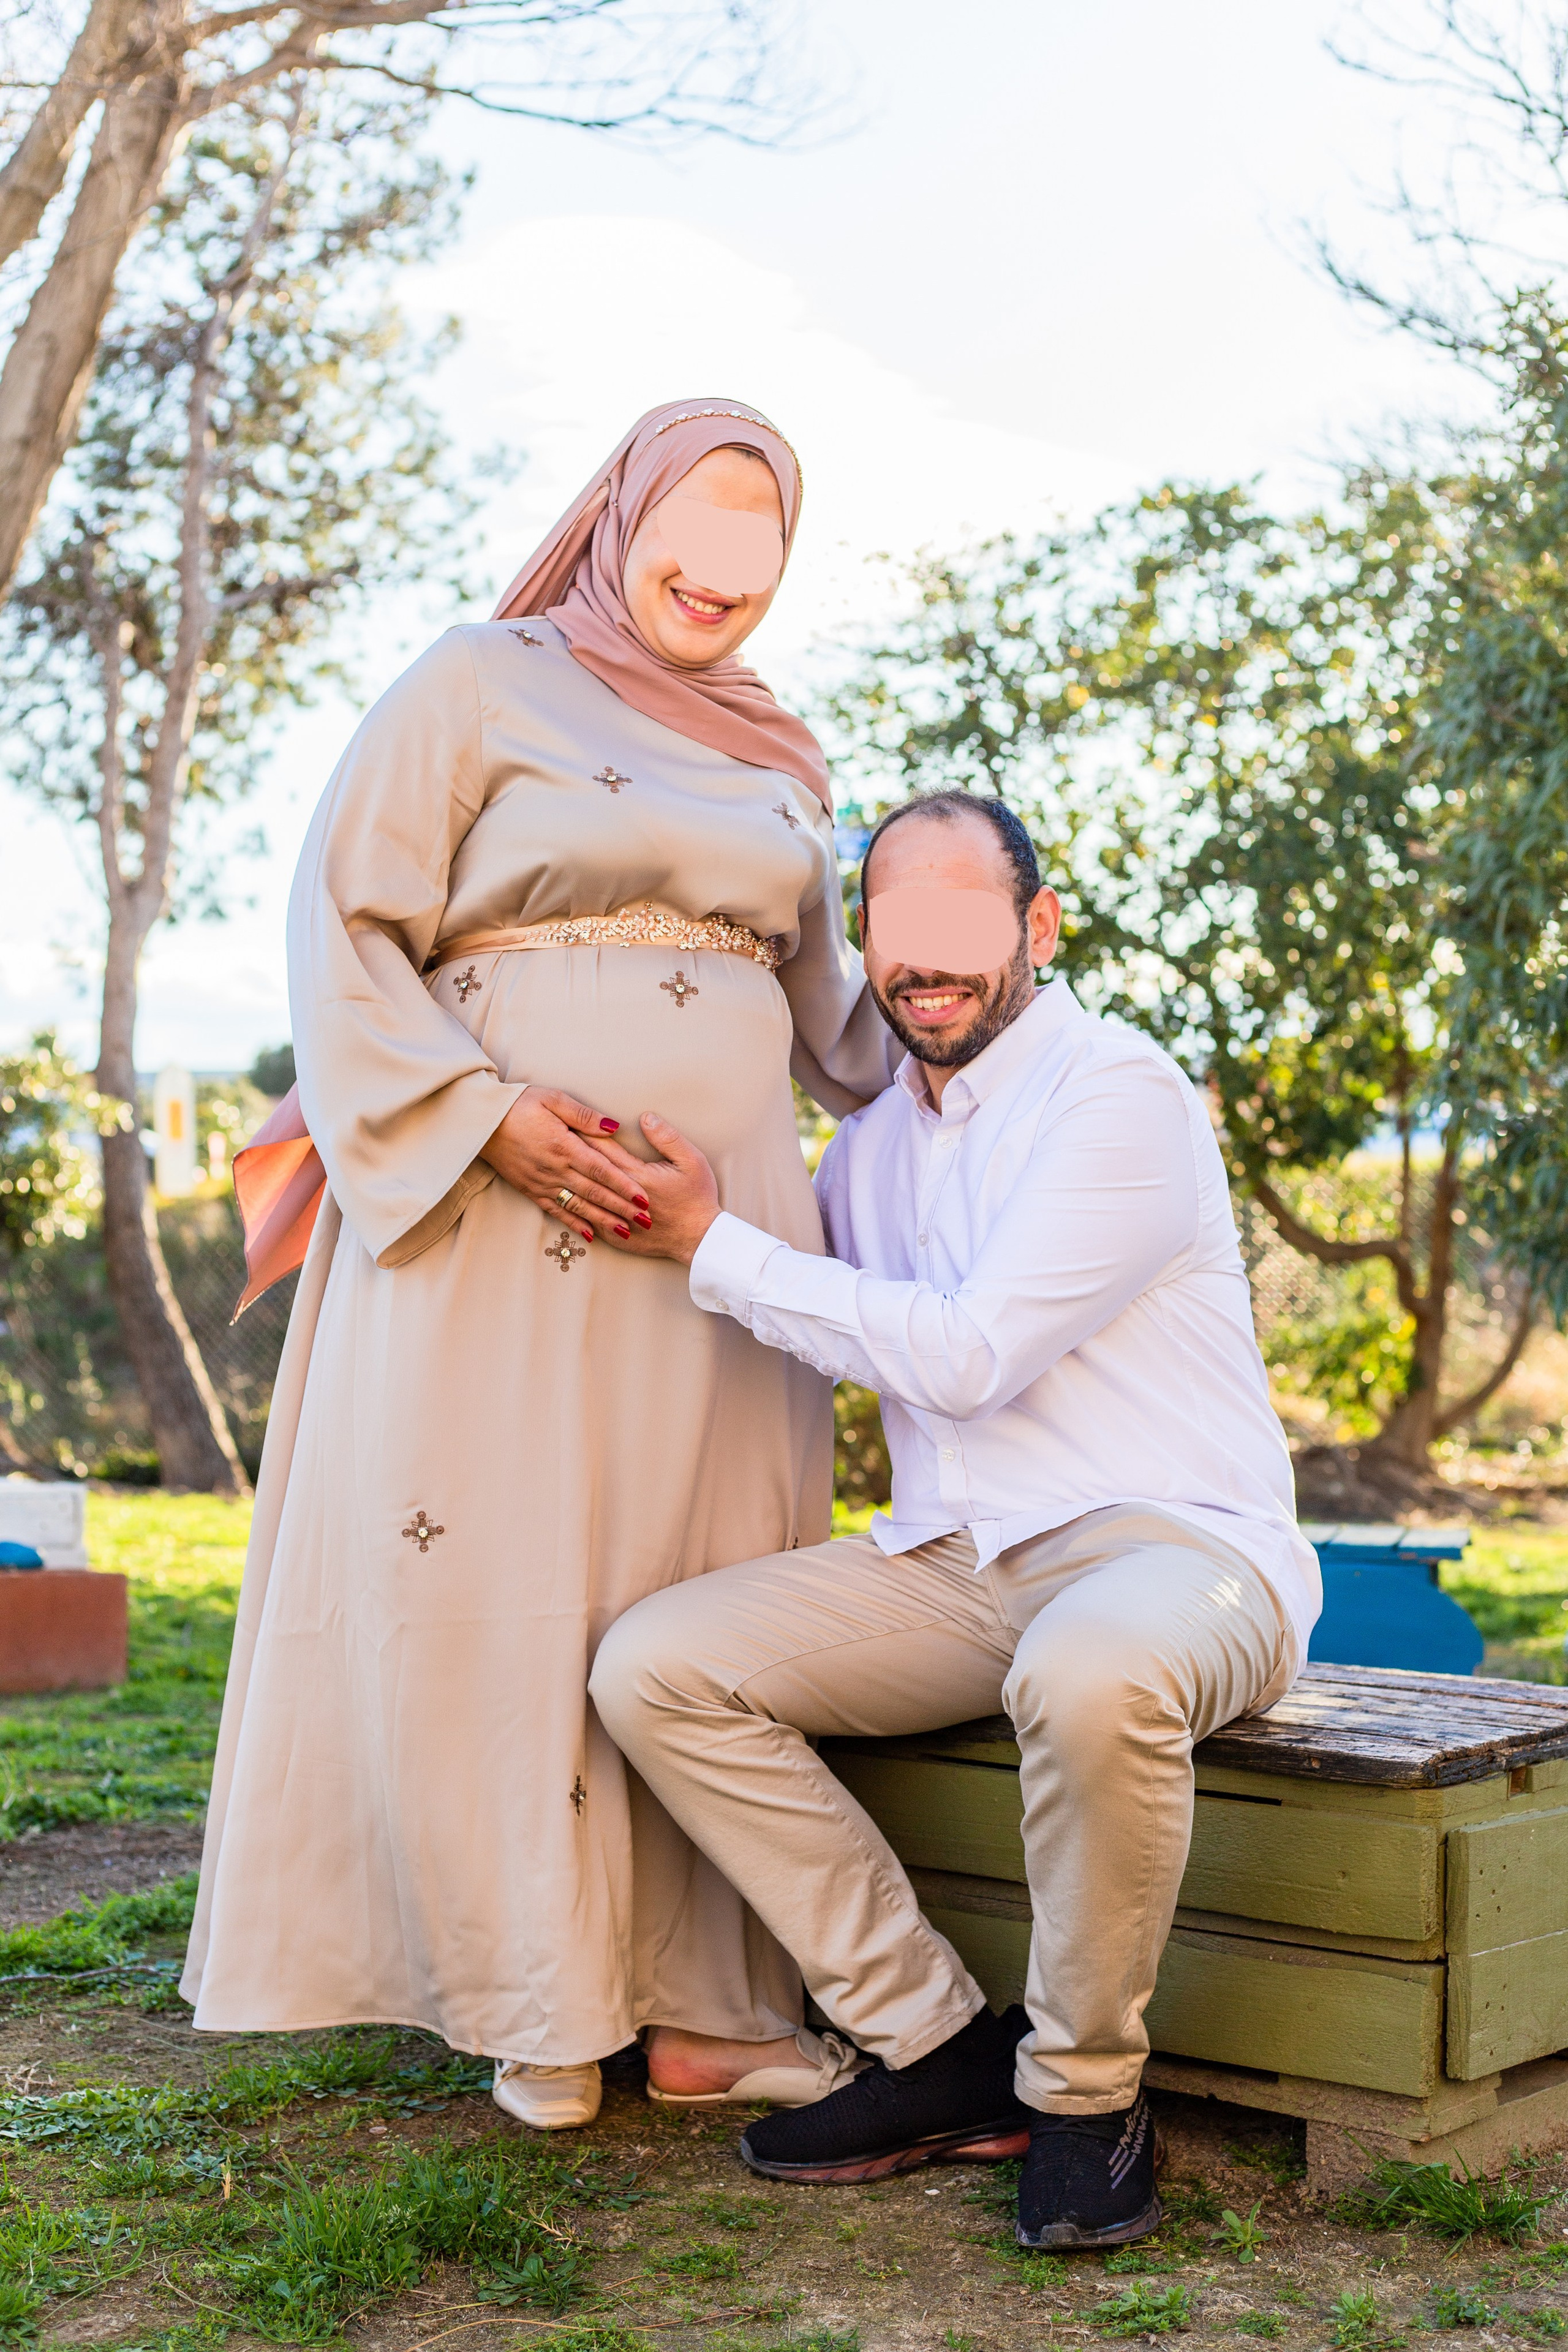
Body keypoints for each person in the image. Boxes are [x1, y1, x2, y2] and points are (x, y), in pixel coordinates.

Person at [179, 399, 899, 2130]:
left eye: (759, 546)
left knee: (701, 1595)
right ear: (621, 514)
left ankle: (707, 2010)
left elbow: (847, 1032)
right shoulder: (477, 681)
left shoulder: (782, 759)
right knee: (508, 1583)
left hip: (718, 1255)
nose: (720, 576)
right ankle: (536, 2005)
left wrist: (1013, 1023)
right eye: (694, 530)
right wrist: (487, 1118)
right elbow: (344, 924)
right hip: (492, 1216)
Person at [589, 788, 1322, 2249]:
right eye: (889, 925)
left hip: (1180, 1551)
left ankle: (1084, 2098)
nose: (920, 959)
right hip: (957, 1565)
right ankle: (934, 2045)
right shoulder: (866, 1154)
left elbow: (970, 1356)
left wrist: (713, 1242)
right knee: (654, 1667)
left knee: (1087, 1671)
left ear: (1037, 927)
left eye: (958, 919)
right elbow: (796, 1316)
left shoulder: (1118, 1094)